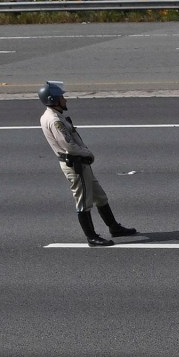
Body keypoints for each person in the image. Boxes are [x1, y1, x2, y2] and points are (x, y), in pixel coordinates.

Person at [36, 82, 137, 247]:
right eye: (62, 97)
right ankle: (91, 237)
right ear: (53, 100)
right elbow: (68, 145)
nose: (65, 100)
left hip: (80, 163)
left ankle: (114, 227)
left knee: (100, 196)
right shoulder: (55, 120)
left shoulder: (52, 115)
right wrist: (87, 153)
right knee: (83, 201)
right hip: (75, 164)